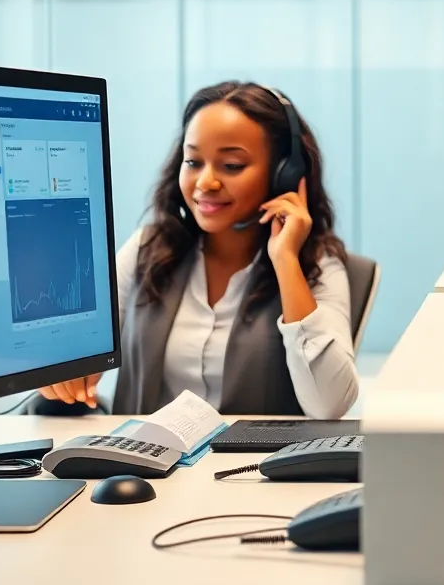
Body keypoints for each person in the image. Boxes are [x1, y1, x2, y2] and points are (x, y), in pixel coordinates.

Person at [38, 82, 359, 419]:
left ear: (283, 175)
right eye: (193, 162)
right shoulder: (148, 249)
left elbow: (330, 405)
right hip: (149, 466)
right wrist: (69, 372)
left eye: (232, 165)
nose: (206, 182)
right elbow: (79, 352)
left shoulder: (316, 266)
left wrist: (286, 261)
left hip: (253, 470)